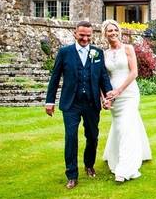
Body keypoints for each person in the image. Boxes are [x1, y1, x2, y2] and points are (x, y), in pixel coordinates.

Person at [44, 21, 113, 189]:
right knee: (71, 137)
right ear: (75, 34)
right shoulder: (65, 52)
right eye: (82, 35)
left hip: (91, 103)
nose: (85, 38)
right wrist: (49, 101)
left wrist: (108, 97)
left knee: (92, 136)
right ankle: (72, 175)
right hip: (71, 103)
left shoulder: (97, 53)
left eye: (88, 36)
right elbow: (55, 78)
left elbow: (103, 76)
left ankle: (89, 165)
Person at [101, 19, 152, 182]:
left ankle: (124, 168)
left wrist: (119, 90)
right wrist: (105, 97)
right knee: (119, 126)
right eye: (110, 31)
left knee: (126, 126)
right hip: (112, 95)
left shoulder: (128, 48)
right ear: (105, 34)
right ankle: (117, 156)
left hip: (128, 93)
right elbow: (103, 77)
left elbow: (134, 72)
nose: (113, 33)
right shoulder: (104, 54)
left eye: (115, 30)